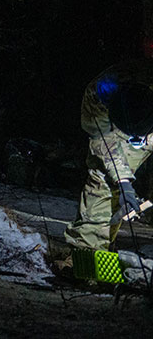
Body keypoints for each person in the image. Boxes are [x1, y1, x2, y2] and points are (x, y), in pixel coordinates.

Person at [63, 58, 153, 252]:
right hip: (114, 132)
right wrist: (124, 184)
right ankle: (89, 253)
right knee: (104, 181)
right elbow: (103, 141)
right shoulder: (99, 93)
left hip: (147, 125)